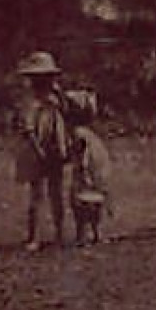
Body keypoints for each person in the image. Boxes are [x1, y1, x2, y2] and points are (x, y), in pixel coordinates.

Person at [12, 51, 69, 252]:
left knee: (56, 192)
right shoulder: (30, 101)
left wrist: (59, 95)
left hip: (54, 147)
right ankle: (34, 236)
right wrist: (38, 150)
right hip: (36, 149)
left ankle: (59, 234)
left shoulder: (54, 99)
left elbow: (66, 114)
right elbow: (28, 130)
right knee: (37, 194)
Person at [64, 89, 111, 246]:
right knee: (93, 200)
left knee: (82, 202)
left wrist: (82, 168)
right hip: (95, 168)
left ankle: (83, 235)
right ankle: (96, 233)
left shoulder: (78, 133)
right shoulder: (89, 133)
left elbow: (82, 152)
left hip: (86, 169)